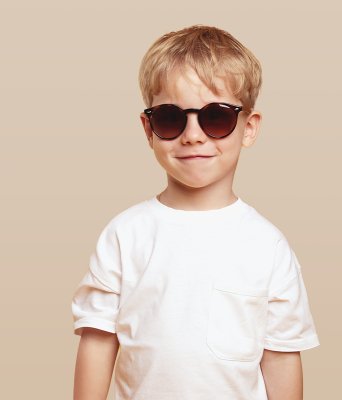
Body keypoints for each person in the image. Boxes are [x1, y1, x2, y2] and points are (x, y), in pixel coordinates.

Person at [71, 24, 320, 400]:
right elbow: (97, 341)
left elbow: (281, 358)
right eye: (170, 118)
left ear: (248, 128)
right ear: (149, 129)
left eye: (216, 117)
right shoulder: (124, 235)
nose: (192, 135)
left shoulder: (268, 246)